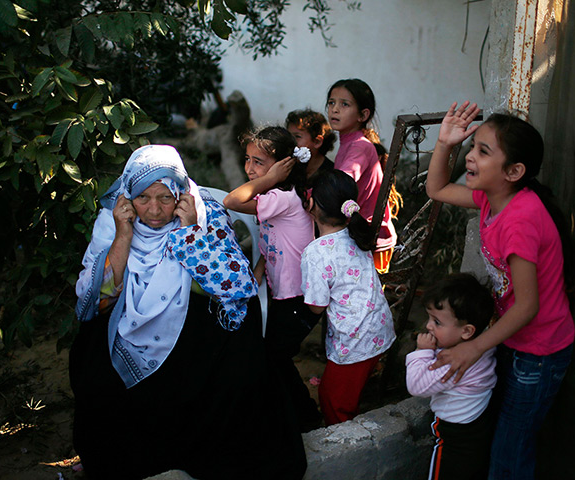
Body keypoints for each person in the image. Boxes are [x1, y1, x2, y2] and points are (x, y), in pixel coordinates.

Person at [71, 145, 306, 479]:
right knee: (96, 377)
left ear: (180, 194)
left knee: (239, 368)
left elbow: (235, 286)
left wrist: (192, 233)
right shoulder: (112, 221)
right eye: (143, 198)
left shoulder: (203, 212)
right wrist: (123, 234)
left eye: (165, 198)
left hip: (194, 319)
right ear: (128, 197)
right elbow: (95, 301)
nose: (154, 210)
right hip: (128, 323)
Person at [426, 102, 575, 479]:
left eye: (482, 151)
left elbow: (527, 306)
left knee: (509, 455)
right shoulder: (491, 200)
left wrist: (474, 347)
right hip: (513, 342)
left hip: (538, 354)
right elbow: (437, 188)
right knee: (501, 442)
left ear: (514, 172)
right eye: (473, 147)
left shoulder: (521, 219)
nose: (472, 158)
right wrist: (445, 143)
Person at [223, 126, 322, 431]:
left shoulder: (282, 195)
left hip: (295, 298)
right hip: (285, 293)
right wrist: (258, 272)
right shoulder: (275, 194)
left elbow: (231, 200)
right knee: (272, 355)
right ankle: (296, 414)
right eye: (248, 160)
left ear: (282, 167)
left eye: (259, 163)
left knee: (273, 356)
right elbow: (274, 241)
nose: (250, 169)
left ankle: (305, 418)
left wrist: (269, 179)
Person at [300, 169, 396, 425]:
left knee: (333, 400)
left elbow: (317, 307)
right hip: (378, 328)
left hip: (355, 340)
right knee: (351, 384)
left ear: (311, 204)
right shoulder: (357, 234)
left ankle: (345, 435)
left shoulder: (316, 252)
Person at [406, 273, 497, 480]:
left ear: (466, 331)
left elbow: (416, 386)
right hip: (477, 430)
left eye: (437, 322)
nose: (428, 326)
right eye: (430, 318)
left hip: (455, 440)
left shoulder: (454, 361)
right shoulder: (483, 345)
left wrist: (422, 352)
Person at [325, 78, 399, 273]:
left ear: (363, 114)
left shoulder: (359, 147)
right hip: (361, 236)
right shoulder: (351, 143)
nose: (335, 109)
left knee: (363, 300)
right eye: (331, 103)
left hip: (369, 239)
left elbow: (339, 185)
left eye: (344, 104)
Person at [285, 108, 336, 181]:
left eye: (297, 136)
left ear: (317, 142)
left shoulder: (331, 176)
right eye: (288, 135)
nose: (290, 141)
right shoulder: (287, 169)